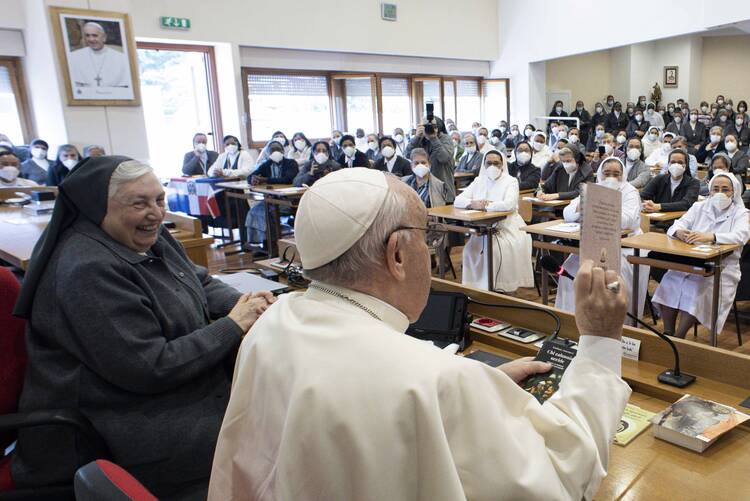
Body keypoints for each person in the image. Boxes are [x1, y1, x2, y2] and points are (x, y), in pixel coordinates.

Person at [209, 166, 631, 501]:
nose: (431, 250)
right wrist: (600, 340)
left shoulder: (273, 322)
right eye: (427, 236)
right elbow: (561, 477)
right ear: (396, 254)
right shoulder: (435, 381)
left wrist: (482, 388)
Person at [12, 157, 274, 499]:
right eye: (139, 203)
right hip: (120, 421)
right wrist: (233, 324)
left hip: (175, 389)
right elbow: (152, 366)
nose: (156, 214)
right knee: (268, 442)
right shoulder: (86, 270)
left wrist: (253, 304)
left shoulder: (146, 235)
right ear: (98, 207)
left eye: (159, 200)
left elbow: (199, 281)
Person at [652, 172, 750, 338]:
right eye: (715, 188)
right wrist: (680, 233)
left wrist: (712, 237)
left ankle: (679, 336)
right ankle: (668, 332)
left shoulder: (740, 212)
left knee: (696, 287)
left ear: (734, 192)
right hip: (692, 261)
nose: (720, 193)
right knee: (670, 279)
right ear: (709, 191)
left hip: (721, 268)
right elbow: (676, 226)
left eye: (725, 189)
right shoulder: (699, 207)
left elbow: (742, 235)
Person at [554, 157, 648, 317]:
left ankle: (613, 322)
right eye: (607, 173)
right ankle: (571, 318)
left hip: (623, 248)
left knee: (612, 276)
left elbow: (626, 221)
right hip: (592, 246)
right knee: (569, 268)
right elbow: (568, 214)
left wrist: (596, 207)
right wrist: (582, 206)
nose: (611, 177)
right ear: (600, 174)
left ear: (623, 175)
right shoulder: (592, 188)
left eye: (616, 173)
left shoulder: (629, 190)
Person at [454, 150, 533, 293]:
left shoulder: (511, 181)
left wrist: (486, 205)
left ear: (502, 165)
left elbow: (508, 204)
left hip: (507, 227)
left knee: (495, 250)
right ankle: (477, 288)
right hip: (482, 229)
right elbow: (457, 200)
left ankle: (499, 289)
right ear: (484, 164)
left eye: (496, 163)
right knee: (469, 250)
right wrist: (473, 203)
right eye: (488, 163)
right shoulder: (479, 181)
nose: (492, 166)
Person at [245, 141, 299, 252]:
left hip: (287, 199)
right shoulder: (266, 164)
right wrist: (253, 179)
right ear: (268, 154)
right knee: (254, 212)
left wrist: (266, 180)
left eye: (278, 150)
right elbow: (251, 175)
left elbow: (288, 179)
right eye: (272, 151)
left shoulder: (291, 163)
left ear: (283, 151)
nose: (275, 152)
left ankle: (273, 246)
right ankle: (262, 244)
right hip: (271, 199)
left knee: (268, 212)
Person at [68, 22, 130, 92]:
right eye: (87, 35)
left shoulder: (120, 58)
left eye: (95, 35)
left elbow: (123, 88)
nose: (91, 39)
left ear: (104, 37)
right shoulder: (74, 57)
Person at [404, 116, 456, 199]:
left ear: (438, 127)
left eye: (433, 126)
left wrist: (433, 138)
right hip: (422, 191)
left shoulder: (446, 138)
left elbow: (444, 158)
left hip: (443, 191)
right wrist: (416, 137)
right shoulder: (420, 139)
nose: (429, 129)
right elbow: (407, 154)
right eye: (426, 126)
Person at [641, 148, 700, 214]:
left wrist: (659, 206)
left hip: (679, 219)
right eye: (673, 162)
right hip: (657, 218)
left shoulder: (693, 183)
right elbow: (643, 196)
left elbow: (686, 203)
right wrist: (646, 205)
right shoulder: (659, 178)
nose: (676, 165)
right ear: (668, 164)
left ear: (686, 165)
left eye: (680, 162)